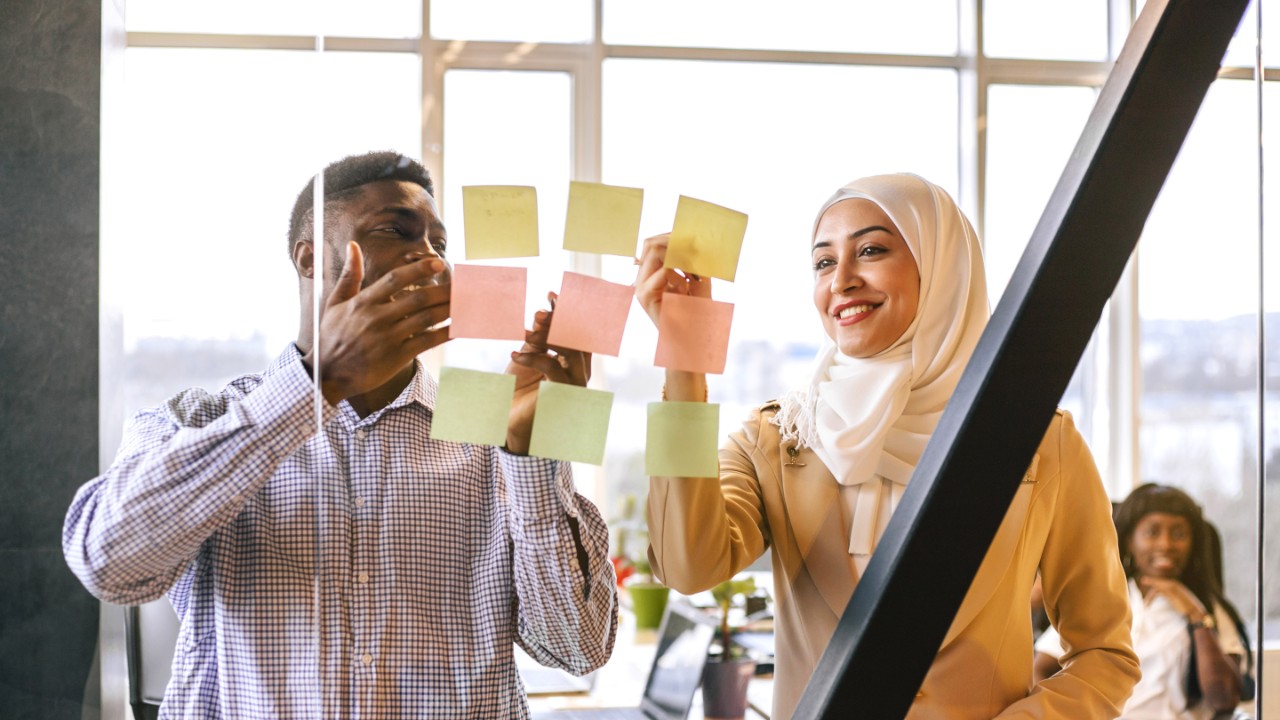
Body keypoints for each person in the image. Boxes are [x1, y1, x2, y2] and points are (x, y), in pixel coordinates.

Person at [63, 151, 618, 718]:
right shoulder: (198, 420)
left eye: (439, 244)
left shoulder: (487, 435)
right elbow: (107, 564)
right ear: (310, 259)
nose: (430, 257)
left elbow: (580, 648)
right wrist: (313, 388)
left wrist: (528, 455)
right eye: (393, 231)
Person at [635, 173, 1139, 718]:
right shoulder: (778, 438)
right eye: (824, 262)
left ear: (943, 266)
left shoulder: (1037, 442)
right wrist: (684, 366)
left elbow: (1104, 654)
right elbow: (686, 566)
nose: (842, 280)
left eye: (871, 250)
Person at [1034, 483, 1246, 718]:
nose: (1165, 545)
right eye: (1152, 532)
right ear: (1129, 542)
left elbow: (1224, 698)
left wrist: (1195, 616)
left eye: (1178, 534)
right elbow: (1042, 668)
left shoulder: (1209, 608)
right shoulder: (1106, 598)